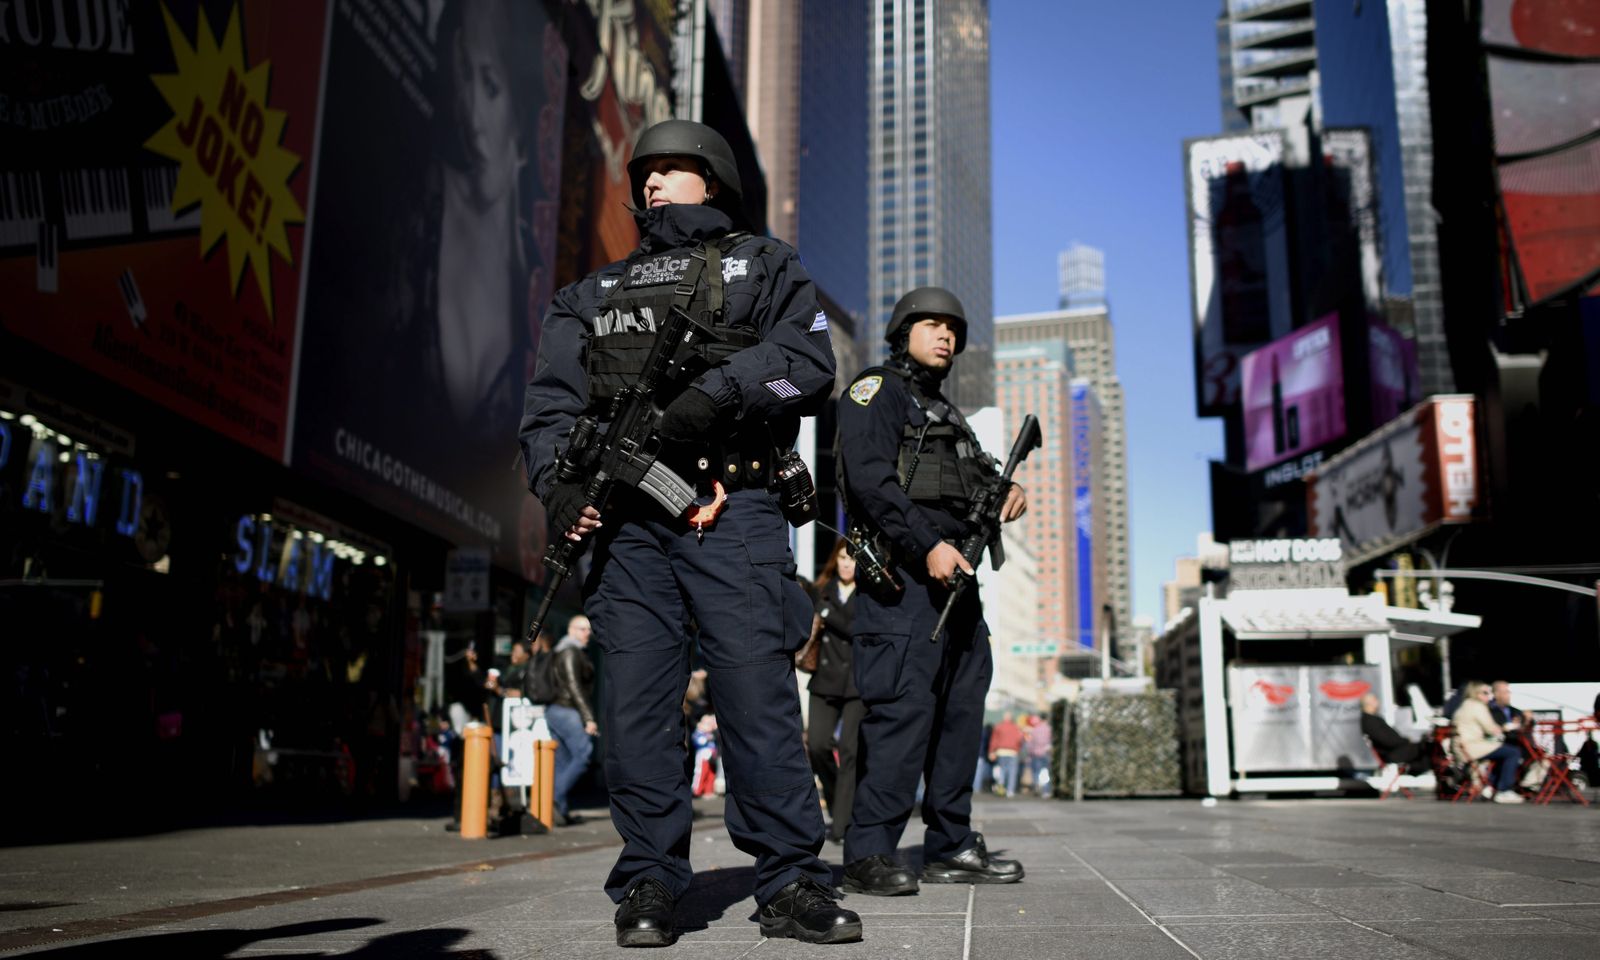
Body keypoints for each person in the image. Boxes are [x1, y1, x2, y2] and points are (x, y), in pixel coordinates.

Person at [518, 119, 859, 946]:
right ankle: (647, 880)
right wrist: (559, 488)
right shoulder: (589, 295)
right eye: (647, 172)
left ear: (714, 178)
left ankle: (788, 879)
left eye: (675, 168)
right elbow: (550, 408)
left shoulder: (764, 264)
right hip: (628, 529)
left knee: (755, 697)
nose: (655, 183)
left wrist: (723, 394)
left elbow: (811, 362)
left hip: (731, 508)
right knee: (633, 708)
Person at [835, 286, 1028, 896]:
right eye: (932, 324)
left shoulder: (948, 415)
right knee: (902, 714)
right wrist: (927, 546)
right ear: (903, 331)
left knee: (960, 714)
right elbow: (870, 483)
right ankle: (868, 852)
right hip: (904, 581)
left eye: (953, 328)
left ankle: (950, 844)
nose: (945, 335)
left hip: (957, 584)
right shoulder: (876, 391)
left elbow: (966, 489)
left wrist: (1004, 494)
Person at [805, 539, 864, 845]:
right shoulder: (820, 590)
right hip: (824, 677)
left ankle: (841, 826)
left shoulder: (868, 593)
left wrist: (827, 613)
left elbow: (856, 629)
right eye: (842, 557)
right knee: (816, 745)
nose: (846, 564)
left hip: (856, 681)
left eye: (852, 559)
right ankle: (836, 799)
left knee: (850, 750)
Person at [546, 615, 599, 826]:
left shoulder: (567, 651)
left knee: (563, 761)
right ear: (570, 630)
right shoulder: (570, 651)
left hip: (557, 710)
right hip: (567, 710)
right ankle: (552, 797)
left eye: (589, 629)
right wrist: (588, 718)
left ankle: (560, 809)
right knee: (583, 754)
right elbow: (574, 687)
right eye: (582, 629)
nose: (587, 633)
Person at [1451, 680, 1525, 803]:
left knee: (1503, 752)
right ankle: (1504, 790)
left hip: (1461, 748)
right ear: (1476, 693)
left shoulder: (1464, 705)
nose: (1489, 696)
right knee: (1513, 752)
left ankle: (1493, 786)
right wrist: (1509, 726)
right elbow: (1492, 729)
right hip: (1471, 748)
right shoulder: (1477, 706)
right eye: (1485, 693)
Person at [1359, 693, 1431, 774]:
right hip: (1392, 754)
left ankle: (1415, 771)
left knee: (1425, 746)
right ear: (1370, 703)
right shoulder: (1370, 721)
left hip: (1394, 750)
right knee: (1427, 746)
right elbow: (1387, 740)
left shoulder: (1370, 719)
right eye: (1375, 700)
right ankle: (1414, 772)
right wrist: (1406, 740)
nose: (1378, 702)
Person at [987, 713, 1024, 797]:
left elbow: (994, 740)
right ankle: (1010, 791)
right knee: (1012, 772)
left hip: (1001, 752)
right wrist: (1018, 749)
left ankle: (1001, 789)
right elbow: (1019, 739)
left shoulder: (998, 726)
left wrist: (992, 751)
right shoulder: (1016, 727)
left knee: (1002, 771)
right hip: (1013, 752)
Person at [1023, 714, 1052, 797]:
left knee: (1036, 772)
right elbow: (1050, 742)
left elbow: (1030, 744)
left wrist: (1030, 754)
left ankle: (1037, 786)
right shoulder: (1049, 729)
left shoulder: (1035, 730)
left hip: (1035, 754)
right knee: (1045, 772)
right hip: (1045, 753)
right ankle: (1046, 790)